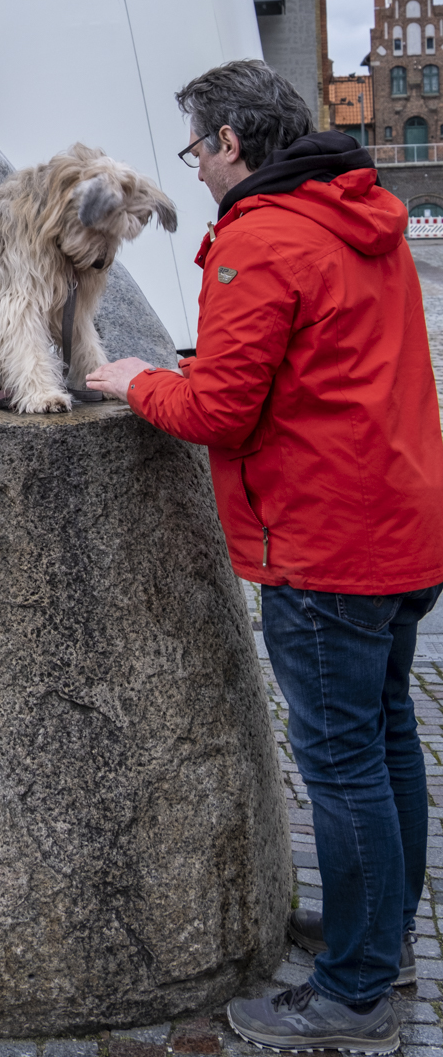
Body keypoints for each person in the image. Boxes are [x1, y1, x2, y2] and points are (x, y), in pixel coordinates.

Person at [86, 58, 443, 1055]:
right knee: (383, 740)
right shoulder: (355, 212)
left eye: (196, 147)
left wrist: (136, 380)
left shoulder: (262, 237)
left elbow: (221, 412)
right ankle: (383, 941)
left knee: (341, 766)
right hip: (402, 524)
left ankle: (356, 989)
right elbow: (316, 361)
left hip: (324, 544)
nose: (195, 167)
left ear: (232, 144)